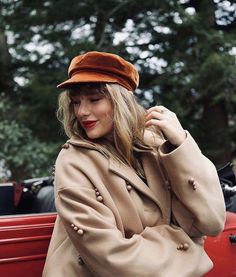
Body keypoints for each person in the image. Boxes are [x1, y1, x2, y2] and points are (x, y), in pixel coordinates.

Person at [43, 51, 226, 277]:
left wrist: (180, 145)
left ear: (121, 100)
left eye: (94, 99)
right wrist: (189, 251)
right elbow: (114, 259)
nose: (82, 111)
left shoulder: (157, 147)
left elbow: (211, 222)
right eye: (76, 102)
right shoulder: (73, 161)